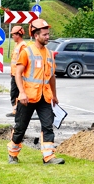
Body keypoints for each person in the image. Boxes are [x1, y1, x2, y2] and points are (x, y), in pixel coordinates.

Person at [7, 18, 64, 164]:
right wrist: (21, 93)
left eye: (48, 34)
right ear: (36, 35)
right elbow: (18, 73)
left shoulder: (50, 54)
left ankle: (49, 157)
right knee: (20, 127)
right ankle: (12, 154)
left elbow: (52, 76)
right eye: (44, 34)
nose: (48, 37)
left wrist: (54, 95)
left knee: (48, 126)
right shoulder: (27, 52)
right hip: (27, 97)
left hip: (45, 97)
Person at [7, 25, 28, 117]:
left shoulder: (23, 46)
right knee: (14, 93)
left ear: (18, 35)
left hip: (19, 75)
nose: (12, 36)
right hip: (14, 73)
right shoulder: (17, 45)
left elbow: (23, 61)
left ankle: (17, 111)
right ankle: (16, 110)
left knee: (16, 92)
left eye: (13, 35)